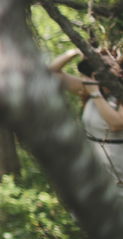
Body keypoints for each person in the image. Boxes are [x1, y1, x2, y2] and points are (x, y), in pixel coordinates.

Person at [49, 47, 123, 183]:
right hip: (98, 171)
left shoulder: (115, 94)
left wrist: (95, 93)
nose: (102, 70)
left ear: (119, 70)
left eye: (108, 66)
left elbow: (116, 124)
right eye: (99, 65)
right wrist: (77, 51)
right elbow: (51, 72)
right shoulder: (88, 89)